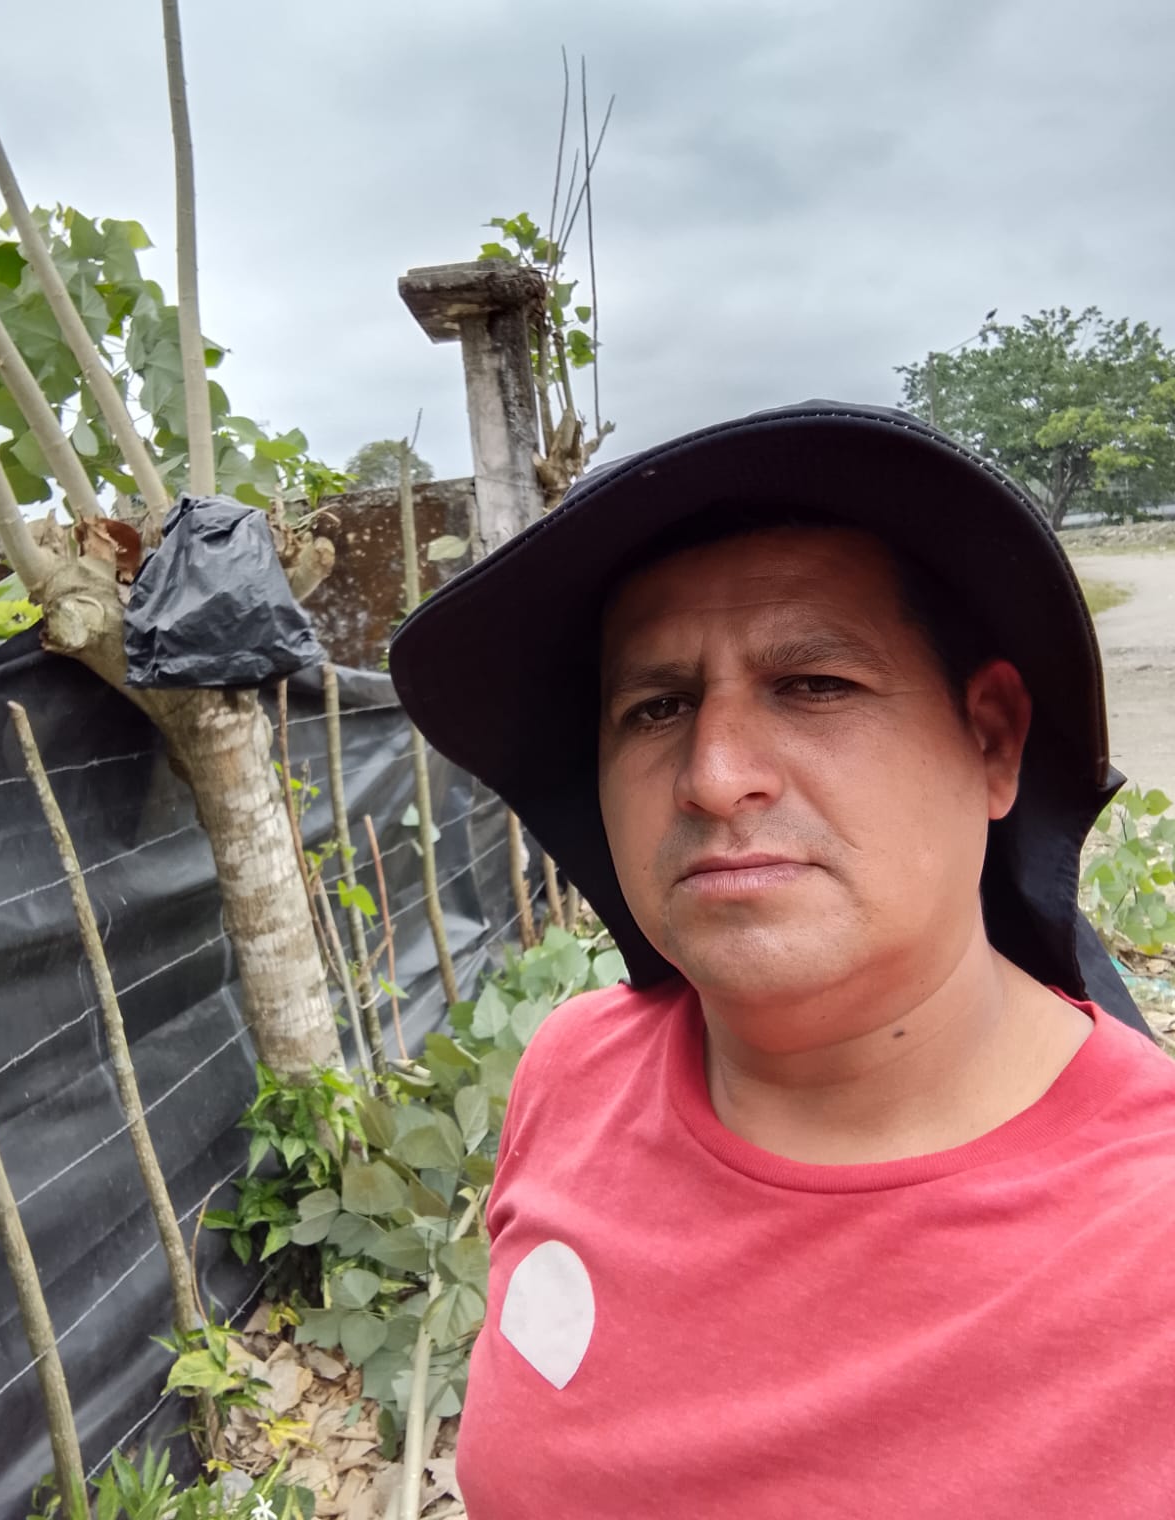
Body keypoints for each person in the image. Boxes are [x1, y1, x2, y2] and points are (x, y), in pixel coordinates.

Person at [389, 402, 1175, 1519]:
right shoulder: (573, 1074)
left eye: (814, 685)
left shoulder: (1148, 1239)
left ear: (992, 739)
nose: (714, 776)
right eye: (657, 707)